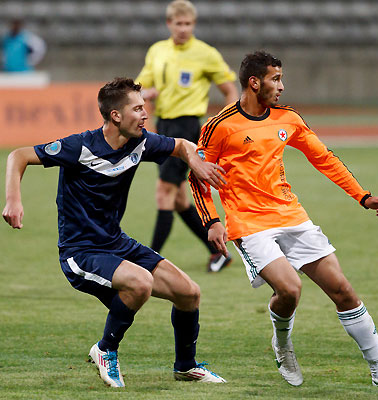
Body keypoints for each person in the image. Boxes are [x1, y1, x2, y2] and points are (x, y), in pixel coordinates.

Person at [189, 50, 378, 389]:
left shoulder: (288, 118)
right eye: (275, 79)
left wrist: (362, 195)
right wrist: (212, 220)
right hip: (249, 222)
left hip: (290, 214)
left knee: (343, 291)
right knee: (290, 289)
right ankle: (282, 344)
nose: (282, 86)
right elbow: (197, 175)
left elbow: (324, 158)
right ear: (255, 83)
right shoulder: (219, 125)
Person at [2, 78, 229, 387]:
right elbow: (18, 155)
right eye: (137, 108)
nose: (145, 114)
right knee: (140, 283)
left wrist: (196, 163)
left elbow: (181, 145)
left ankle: (185, 366)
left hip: (115, 242)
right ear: (116, 116)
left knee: (189, 293)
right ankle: (105, 350)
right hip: (80, 251)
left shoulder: (141, 142)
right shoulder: (79, 146)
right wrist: (13, 199)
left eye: (144, 106)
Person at [135, 0, 239, 273]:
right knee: (179, 198)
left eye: (188, 24)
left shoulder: (205, 53)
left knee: (164, 193)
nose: (183, 28)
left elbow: (230, 90)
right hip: (163, 125)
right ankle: (219, 252)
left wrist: (227, 120)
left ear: (194, 24)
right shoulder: (157, 51)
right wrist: (144, 94)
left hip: (187, 127)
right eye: (178, 23)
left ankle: (148, 260)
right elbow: (142, 85)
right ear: (169, 24)